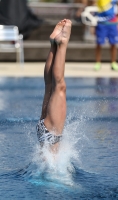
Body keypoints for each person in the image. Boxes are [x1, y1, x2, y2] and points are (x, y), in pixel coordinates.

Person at [36, 19, 72, 154]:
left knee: (58, 87)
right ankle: (54, 45)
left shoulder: (51, 167)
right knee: (50, 87)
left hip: (50, 135)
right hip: (44, 134)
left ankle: (61, 45)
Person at [94, 0, 118, 71]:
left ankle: (113, 62)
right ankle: (98, 62)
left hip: (112, 22)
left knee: (113, 43)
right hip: (101, 22)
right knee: (99, 43)